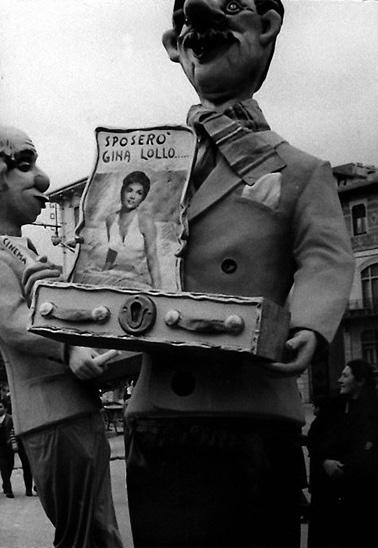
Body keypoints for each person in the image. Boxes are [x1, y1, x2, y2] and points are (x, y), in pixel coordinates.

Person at [120, 1, 356, 547]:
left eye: (229, 5)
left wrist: (308, 325)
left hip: (252, 408)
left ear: (267, 28)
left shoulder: (299, 170)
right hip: (160, 412)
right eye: (188, 22)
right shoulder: (148, 168)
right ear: (175, 46)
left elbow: (326, 259)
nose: (202, 24)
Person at [0, 125, 124, 548]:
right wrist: (68, 346)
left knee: (98, 532)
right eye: (24, 164)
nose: (42, 179)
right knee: (85, 535)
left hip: (71, 409)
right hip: (51, 415)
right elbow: (14, 323)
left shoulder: (23, 250)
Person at [307, 360, 378, 548]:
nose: (340, 380)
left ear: (360, 381)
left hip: (360, 496)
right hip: (328, 494)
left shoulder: (373, 411)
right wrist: (324, 461)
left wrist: (349, 467)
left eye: (345, 376)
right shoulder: (333, 406)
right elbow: (314, 437)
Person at [103, 170, 161, 288]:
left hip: (136, 279)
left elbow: (152, 258)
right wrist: (103, 274)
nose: (133, 196)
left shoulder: (145, 221)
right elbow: (112, 251)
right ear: (122, 191)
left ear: (143, 198)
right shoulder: (110, 219)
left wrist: (157, 289)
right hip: (114, 276)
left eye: (139, 193)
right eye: (129, 190)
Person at [0, 400, 16, 498]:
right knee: (4, 467)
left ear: (5, 408)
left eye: (0, 406)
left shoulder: (10, 418)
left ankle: (5, 484)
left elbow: (14, 430)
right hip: (0, 448)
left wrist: (13, 442)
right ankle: (9, 490)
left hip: (8, 446)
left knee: (10, 465)